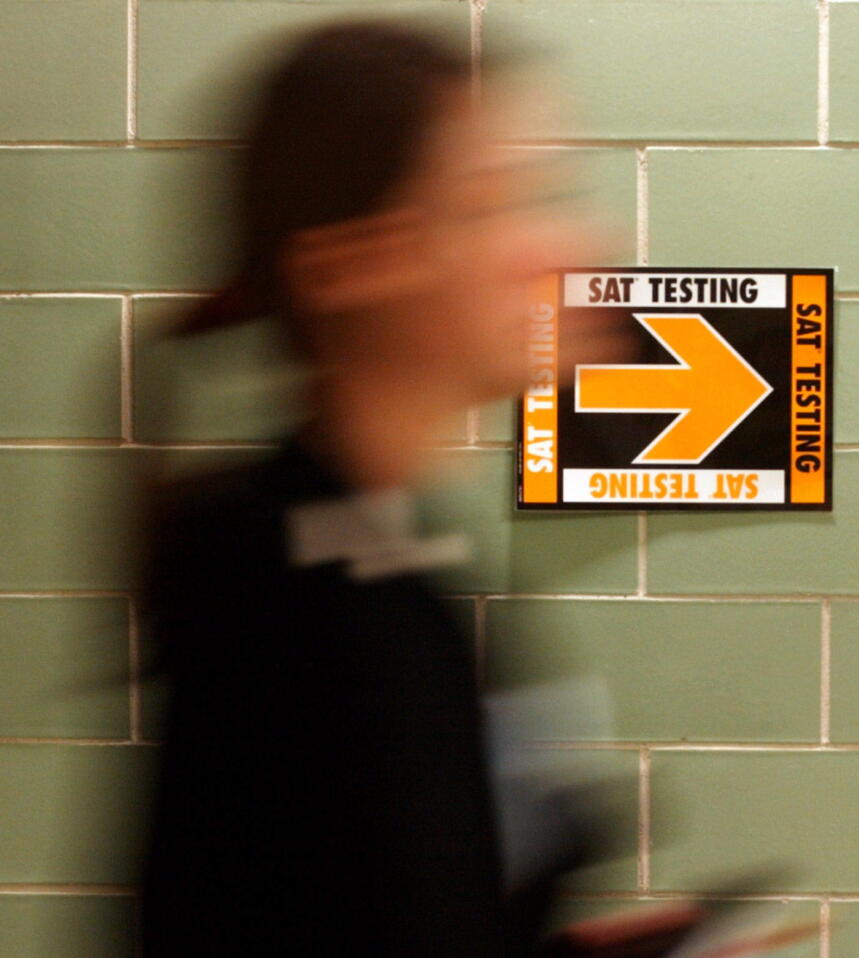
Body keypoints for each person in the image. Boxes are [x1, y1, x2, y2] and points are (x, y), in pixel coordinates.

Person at [138, 20, 625, 956]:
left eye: (552, 194)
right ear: (349, 265)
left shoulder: (375, 552)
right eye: (493, 205)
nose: (571, 247)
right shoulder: (308, 604)